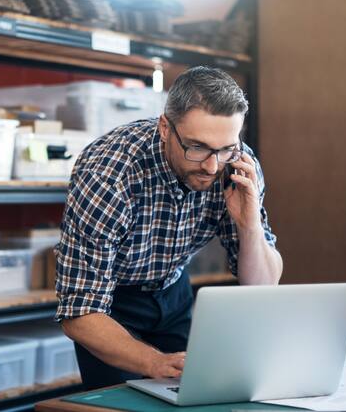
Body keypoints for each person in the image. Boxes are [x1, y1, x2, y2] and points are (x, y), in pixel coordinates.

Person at [54, 66, 283, 390]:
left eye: (225, 148)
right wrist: (154, 362)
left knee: (201, 395)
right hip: (110, 306)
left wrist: (250, 227)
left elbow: (262, 287)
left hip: (173, 291)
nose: (211, 166)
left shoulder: (237, 165)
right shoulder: (109, 175)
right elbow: (79, 312)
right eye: (197, 147)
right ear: (165, 127)